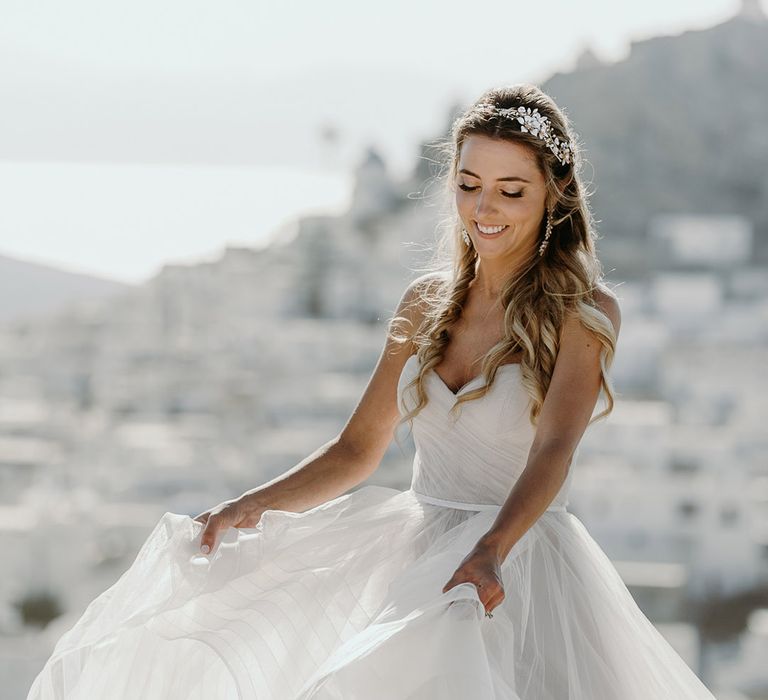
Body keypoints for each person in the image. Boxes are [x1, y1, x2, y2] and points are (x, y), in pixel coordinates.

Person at [27, 83, 719, 699]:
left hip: (521, 564)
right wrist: (251, 504)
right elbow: (359, 448)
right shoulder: (424, 303)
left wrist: (492, 547)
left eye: (512, 190)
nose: (486, 207)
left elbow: (555, 449)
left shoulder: (584, 313)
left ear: (554, 193)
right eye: (469, 183)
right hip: (418, 556)